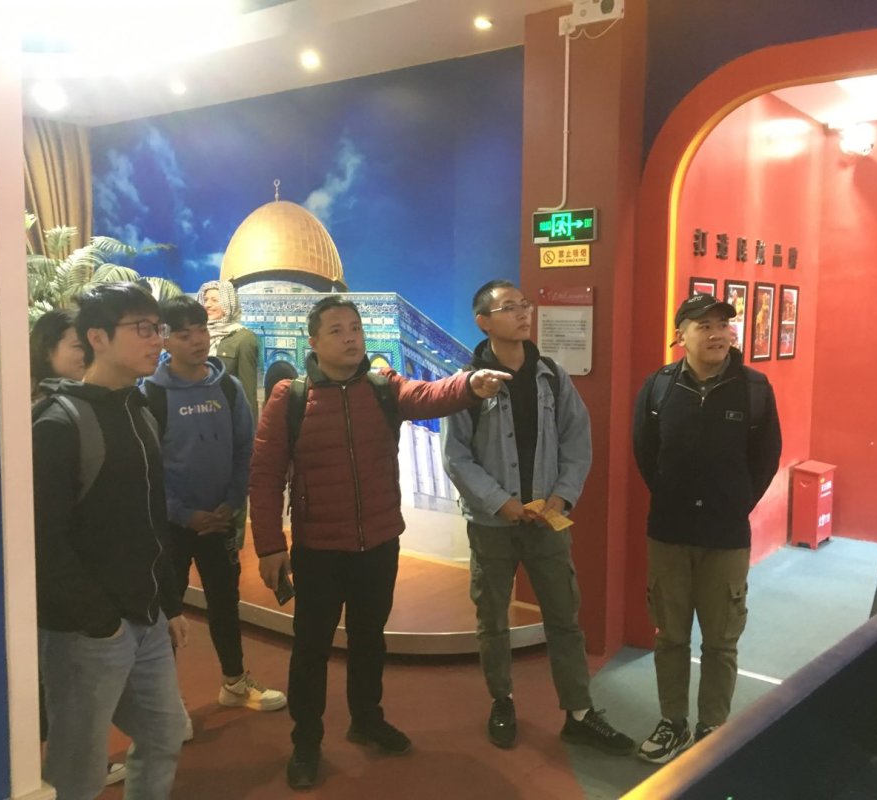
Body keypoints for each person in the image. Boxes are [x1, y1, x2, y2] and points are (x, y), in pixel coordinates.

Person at [249, 295, 511, 791]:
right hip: (318, 548)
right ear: (313, 341)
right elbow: (265, 475)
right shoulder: (292, 397)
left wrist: (469, 385)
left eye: (355, 328)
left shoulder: (382, 386)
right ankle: (307, 741)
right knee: (311, 648)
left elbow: (428, 395)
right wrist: (268, 545)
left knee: (369, 638)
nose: (351, 338)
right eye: (337, 330)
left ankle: (367, 719)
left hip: (379, 542)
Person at [441, 279, 635, 756]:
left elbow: (577, 440)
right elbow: (456, 456)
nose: (523, 313)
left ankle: (580, 713)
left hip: (547, 521)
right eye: (509, 307)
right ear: (483, 322)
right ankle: (502, 701)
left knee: (564, 617)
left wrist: (562, 498)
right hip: (492, 525)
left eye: (524, 305)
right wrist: (499, 502)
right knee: (492, 619)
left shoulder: (551, 375)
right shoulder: (467, 383)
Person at [32, 282, 187, 799]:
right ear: (97, 337)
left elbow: (153, 518)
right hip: (88, 632)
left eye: (158, 328)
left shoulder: (139, 411)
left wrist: (169, 604)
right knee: (79, 769)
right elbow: (43, 542)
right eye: (142, 328)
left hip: (146, 619)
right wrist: (100, 622)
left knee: (164, 734)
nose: (157, 340)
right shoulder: (58, 424)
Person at [631, 293, 781, 764]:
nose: (718, 334)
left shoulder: (754, 388)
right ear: (681, 336)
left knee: (721, 640)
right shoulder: (658, 388)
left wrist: (733, 504)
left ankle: (712, 727)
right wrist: (674, 497)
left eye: (722, 325)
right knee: (670, 636)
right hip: (669, 532)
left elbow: (766, 460)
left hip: (726, 536)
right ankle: (672, 722)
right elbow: (645, 453)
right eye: (704, 326)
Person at [144, 296, 286, 724]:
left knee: (225, 603)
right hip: (172, 526)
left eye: (202, 330)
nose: (197, 341)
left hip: (220, 519)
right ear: (164, 339)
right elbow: (148, 468)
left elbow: (245, 451)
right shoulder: (151, 394)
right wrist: (183, 514)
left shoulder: (229, 388)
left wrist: (230, 504)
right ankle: (169, 707)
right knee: (167, 612)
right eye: (184, 334)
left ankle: (235, 682)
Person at [29, 309, 128, 788]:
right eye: (76, 345)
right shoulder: (47, 417)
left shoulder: (100, 405)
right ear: (46, 350)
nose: (87, 353)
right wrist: (98, 613)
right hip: (61, 597)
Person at [197, 280, 259, 420]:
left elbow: (248, 391)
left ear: (228, 304)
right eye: (205, 300)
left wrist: (250, 427)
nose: (207, 305)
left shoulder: (244, 338)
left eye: (215, 300)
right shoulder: (197, 335)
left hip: (226, 417)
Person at [29, 309, 85, 400]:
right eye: (79, 346)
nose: (89, 354)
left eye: (90, 347)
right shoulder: (22, 401)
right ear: (47, 351)